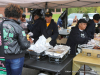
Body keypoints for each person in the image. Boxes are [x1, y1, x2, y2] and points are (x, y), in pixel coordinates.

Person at [3, 4, 30, 75]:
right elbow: (25, 45)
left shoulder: (1, 24)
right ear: (18, 14)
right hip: (16, 57)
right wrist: (29, 42)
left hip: (2, 57)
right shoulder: (18, 27)